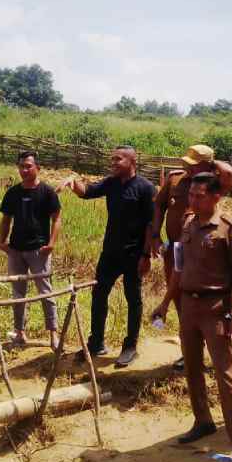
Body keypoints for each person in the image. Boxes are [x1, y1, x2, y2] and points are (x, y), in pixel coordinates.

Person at [150, 173, 232, 462]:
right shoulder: (187, 224)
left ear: (216, 197)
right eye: (190, 195)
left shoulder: (228, 228)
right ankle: (203, 421)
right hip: (189, 305)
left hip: (216, 307)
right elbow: (179, 270)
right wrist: (166, 302)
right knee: (192, 367)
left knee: (226, 374)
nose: (192, 201)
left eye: (198, 196)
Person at [146, 145, 232, 372]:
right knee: (178, 296)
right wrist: (155, 235)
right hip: (175, 250)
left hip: (203, 253)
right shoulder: (175, 180)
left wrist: (212, 164)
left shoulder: (215, 182)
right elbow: (158, 206)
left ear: (207, 165)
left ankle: (211, 352)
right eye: (186, 162)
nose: (186, 167)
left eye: (193, 164)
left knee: (205, 302)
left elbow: (229, 173)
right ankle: (190, 351)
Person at [64, 145, 156, 367]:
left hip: (134, 254)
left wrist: (146, 255)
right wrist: (73, 182)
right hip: (110, 252)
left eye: (118, 159)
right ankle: (96, 342)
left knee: (133, 298)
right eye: (112, 159)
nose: (113, 163)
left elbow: (151, 224)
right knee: (99, 295)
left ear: (132, 161)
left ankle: (130, 346)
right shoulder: (111, 183)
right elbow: (87, 192)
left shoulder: (145, 188)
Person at [0, 151, 62, 351]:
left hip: (38, 250)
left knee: (45, 292)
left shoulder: (47, 192)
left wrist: (51, 244)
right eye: (21, 167)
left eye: (28, 166)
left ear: (37, 168)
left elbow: (56, 218)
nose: (24, 170)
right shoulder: (13, 193)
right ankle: (20, 333)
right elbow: (6, 219)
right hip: (16, 250)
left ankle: (53, 333)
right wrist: (2, 242)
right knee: (18, 293)